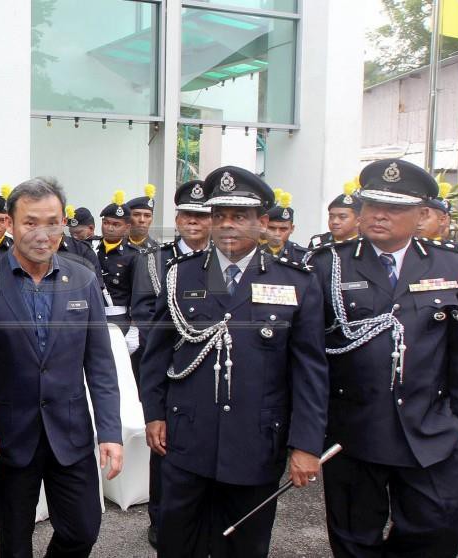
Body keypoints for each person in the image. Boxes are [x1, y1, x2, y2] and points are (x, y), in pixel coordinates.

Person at [141, 166, 328, 558]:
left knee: (245, 545)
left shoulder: (296, 282)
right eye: (219, 216)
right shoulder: (181, 276)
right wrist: (154, 413)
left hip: (256, 441)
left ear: (262, 223)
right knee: (176, 543)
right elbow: (157, 353)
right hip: (186, 436)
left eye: (239, 216)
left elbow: (309, 371)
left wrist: (306, 445)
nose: (227, 225)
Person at [306, 159, 458, 558]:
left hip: (430, 424)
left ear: (423, 214)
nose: (379, 215)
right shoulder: (328, 265)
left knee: (441, 520)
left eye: (395, 208)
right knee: (354, 536)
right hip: (353, 428)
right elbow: (309, 355)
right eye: (371, 205)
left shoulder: (452, 264)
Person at [0, 177, 122, 558]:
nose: (42, 233)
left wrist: (110, 432)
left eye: (51, 222)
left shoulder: (82, 280)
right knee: (14, 544)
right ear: (11, 225)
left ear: (63, 222)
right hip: (12, 438)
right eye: (30, 222)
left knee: (83, 530)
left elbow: (100, 364)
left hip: (71, 434)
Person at [130, 178, 212, 548]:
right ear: (177, 218)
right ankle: (160, 519)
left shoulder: (221, 261)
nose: (194, 221)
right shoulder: (154, 259)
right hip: (169, 367)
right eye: (187, 214)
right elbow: (145, 312)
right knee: (164, 449)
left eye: (202, 215)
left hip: (211, 372)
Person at [96, 191, 137, 339]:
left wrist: (134, 328)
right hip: (92, 317)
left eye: (116, 224)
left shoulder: (134, 255)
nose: (110, 228)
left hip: (118, 318)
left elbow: (137, 294)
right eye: (106, 223)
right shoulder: (91, 249)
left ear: (126, 227)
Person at [309, 181, 360, 249]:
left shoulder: (367, 246)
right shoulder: (318, 243)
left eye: (342, 217)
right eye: (331, 217)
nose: (335, 221)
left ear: (358, 221)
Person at [264, 190, 308, 262]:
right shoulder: (253, 254)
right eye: (271, 228)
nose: (277, 233)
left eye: (283, 229)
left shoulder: (303, 256)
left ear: (292, 229)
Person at [127, 184, 159, 249]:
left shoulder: (158, 249)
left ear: (152, 218)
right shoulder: (116, 246)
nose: (142, 220)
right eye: (136, 215)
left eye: (147, 216)